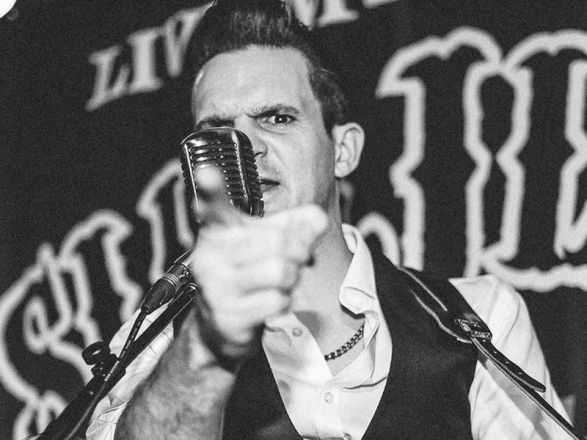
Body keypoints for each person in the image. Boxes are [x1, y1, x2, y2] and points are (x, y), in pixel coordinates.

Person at [86, 0, 570, 439]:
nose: (245, 147)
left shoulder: (478, 318)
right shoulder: (159, 340)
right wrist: (205, 349)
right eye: (218, 131)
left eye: (277, 118)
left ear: (343, 150)